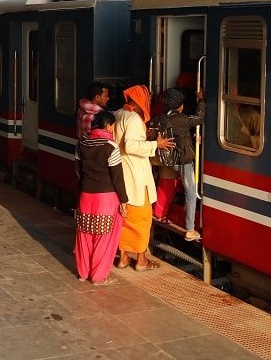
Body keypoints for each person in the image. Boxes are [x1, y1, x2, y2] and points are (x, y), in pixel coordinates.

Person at [113, 84, 174, 271]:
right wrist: (155, 144)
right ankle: (141, 260)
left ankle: (123, 258)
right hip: (136, 175)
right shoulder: (133, 119)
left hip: (122, 173)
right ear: (140, 100)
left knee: (124, 218)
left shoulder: (118, 114)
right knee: (142, 219)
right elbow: (131, 146)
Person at [74, 111, 128, 285]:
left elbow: (78, 170)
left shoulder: (82, 142)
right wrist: (124, 201)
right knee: (104, 237)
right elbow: (117, 178)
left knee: (84, 235)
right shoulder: (111, 146)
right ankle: (98, 276)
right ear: (109, 126)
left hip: (86, 195)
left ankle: (83, 273)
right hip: (106, 198)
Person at [150, 88, 205, 242]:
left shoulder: (160, 119)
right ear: (180, 106)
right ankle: (190, 230)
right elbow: (199, 118)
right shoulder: (181, 119)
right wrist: (201, 100)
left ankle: (160, 211)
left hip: (168, 161)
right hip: (183, 162)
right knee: (191, 193)